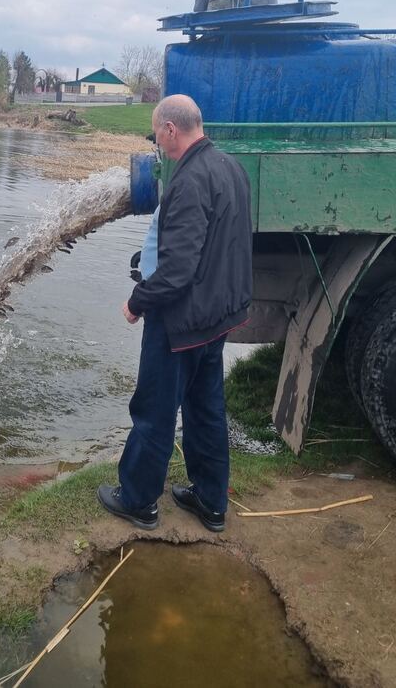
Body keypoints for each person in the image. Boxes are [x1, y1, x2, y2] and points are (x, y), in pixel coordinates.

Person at [97, 95, 253, 532]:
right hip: (218, 317)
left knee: (154, 409)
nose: (157, 145)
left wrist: (137, 301)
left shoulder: (188, 180)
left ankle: (138, 500)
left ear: (171, 129)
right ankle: (211, 502)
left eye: (156, 135)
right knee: (206, 409)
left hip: (181, 323)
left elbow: (178, 270)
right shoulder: (232, 168)